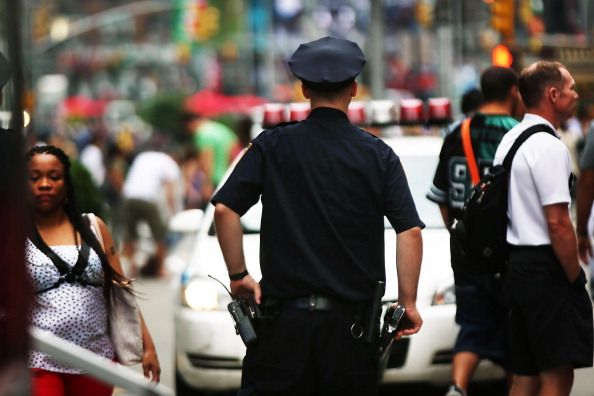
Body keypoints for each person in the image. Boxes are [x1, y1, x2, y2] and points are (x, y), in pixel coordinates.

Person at [211, 36, 424, 395]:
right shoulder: (379, 156)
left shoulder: (272, 145)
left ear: (304, 89)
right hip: (351, 333)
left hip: (282, 328)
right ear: (354, 89)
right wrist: (408, 303)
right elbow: (410, 232)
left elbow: (224, 209)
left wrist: (239, 275)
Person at [25, 144, 161, 395]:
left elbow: (122, 292)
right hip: (39, 361)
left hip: (95, 361)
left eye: (54, 177)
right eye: (35, 178)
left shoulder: (94, 227)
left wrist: (147, 346)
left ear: (66, 185)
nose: (44, 184)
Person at [493, 61, 593, 396]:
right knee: (557, 374)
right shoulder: (549, 146)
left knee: (525, 374)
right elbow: (558, 223)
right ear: (553, 94)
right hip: (545, 268)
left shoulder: (510, 140)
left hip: (516, 265)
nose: (576, 94)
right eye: (570, 88)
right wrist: (574, 277)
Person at [427, 66, 520, 396]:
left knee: (472, 325)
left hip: (466, 254)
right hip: (511, 252)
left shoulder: (457, 133)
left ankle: (458, 387)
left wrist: (460, 231)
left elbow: (440, 196)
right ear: (513, 92)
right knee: (515, 330)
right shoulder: (520, 134)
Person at [121, 149, 180, 277]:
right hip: (148, 198)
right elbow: (170, 193)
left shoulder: (143, 155)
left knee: (131, 234)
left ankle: (131, 268)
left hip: (129, 196)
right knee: (160, 235)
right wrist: (174, 212)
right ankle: (160, 268)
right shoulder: (171, 164)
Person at [181, 110, 239, 195]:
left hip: (216, 180)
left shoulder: (203, 133)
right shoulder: (223, 129)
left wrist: (207, 184)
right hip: (230, 178)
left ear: (190, 123)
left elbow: (207, 160)